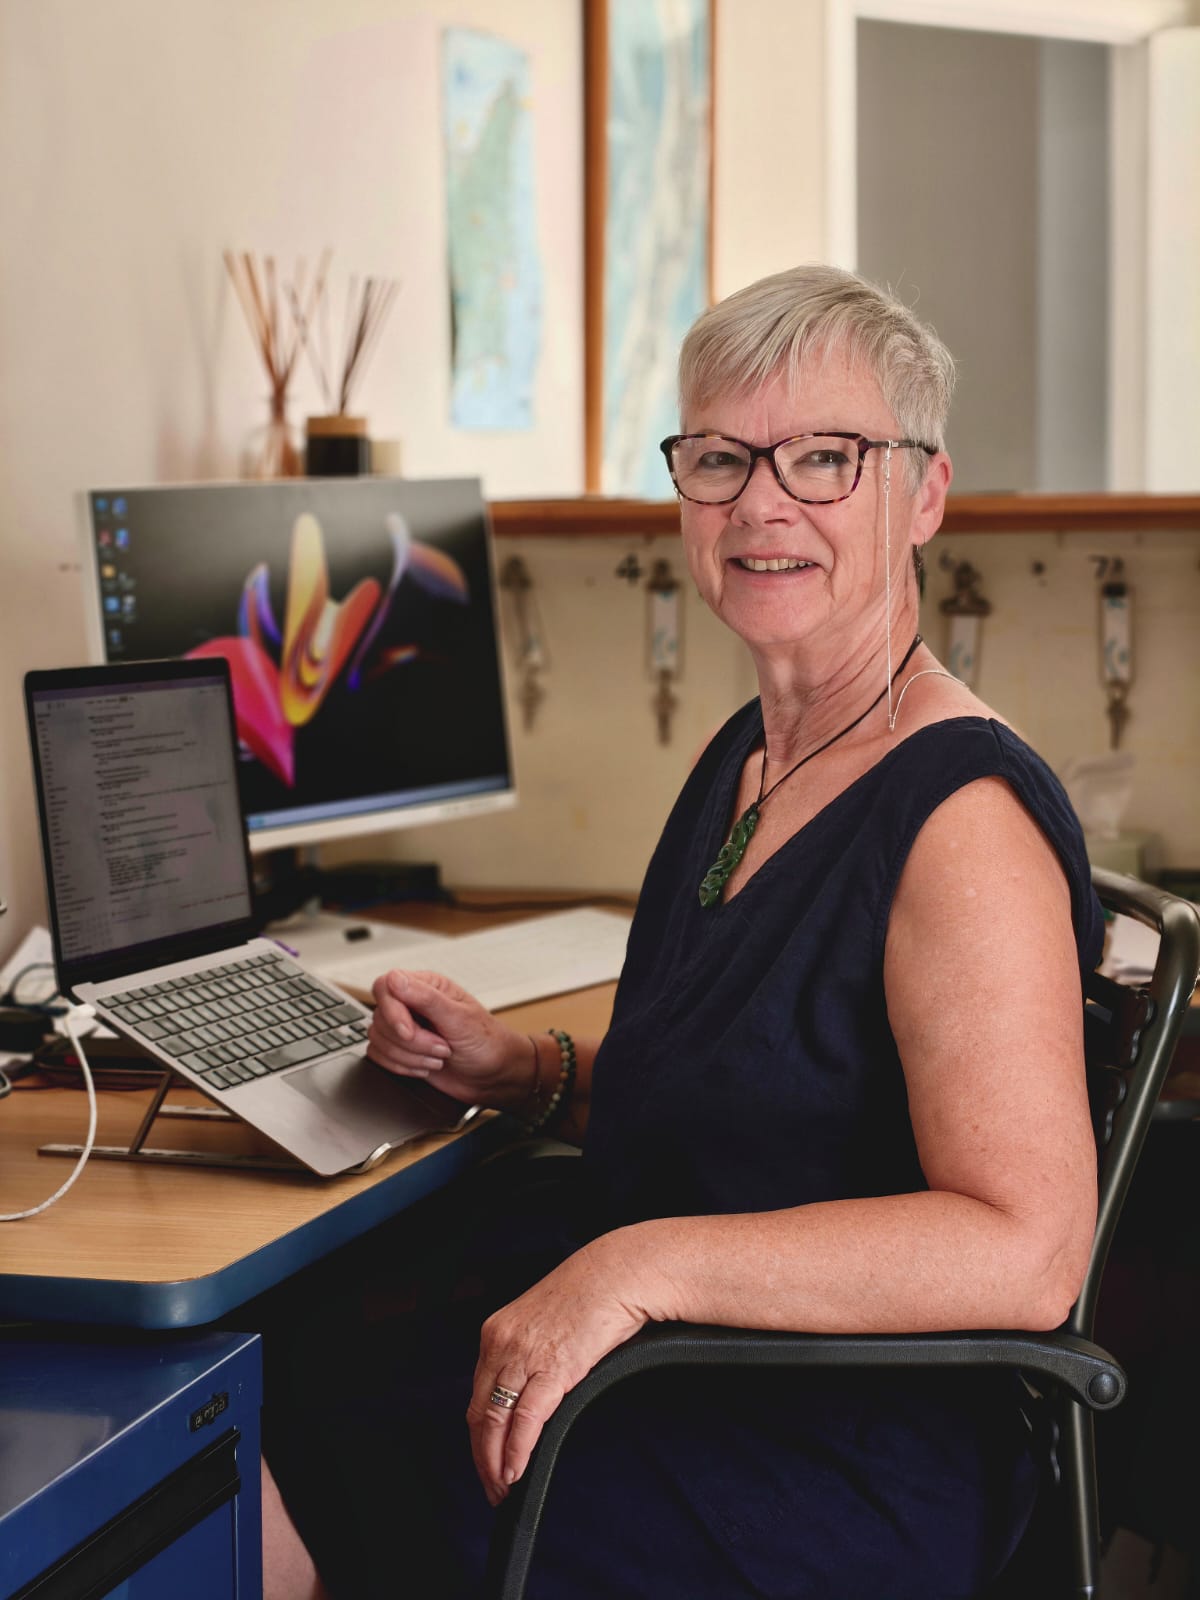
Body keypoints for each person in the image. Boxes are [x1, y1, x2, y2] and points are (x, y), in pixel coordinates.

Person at [261, 264, 1103, 1600]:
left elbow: (1026, 1248)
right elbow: (762, 1109)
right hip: (698, 1371)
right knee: (285, 1363)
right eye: (719, 459)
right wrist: (528, 1072)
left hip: (825, 1456)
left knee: (290, 1441)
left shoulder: (960, 822)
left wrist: (636, 1268)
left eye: (825, 459)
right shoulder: (753, 760)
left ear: (924, 494)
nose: (761, 504)